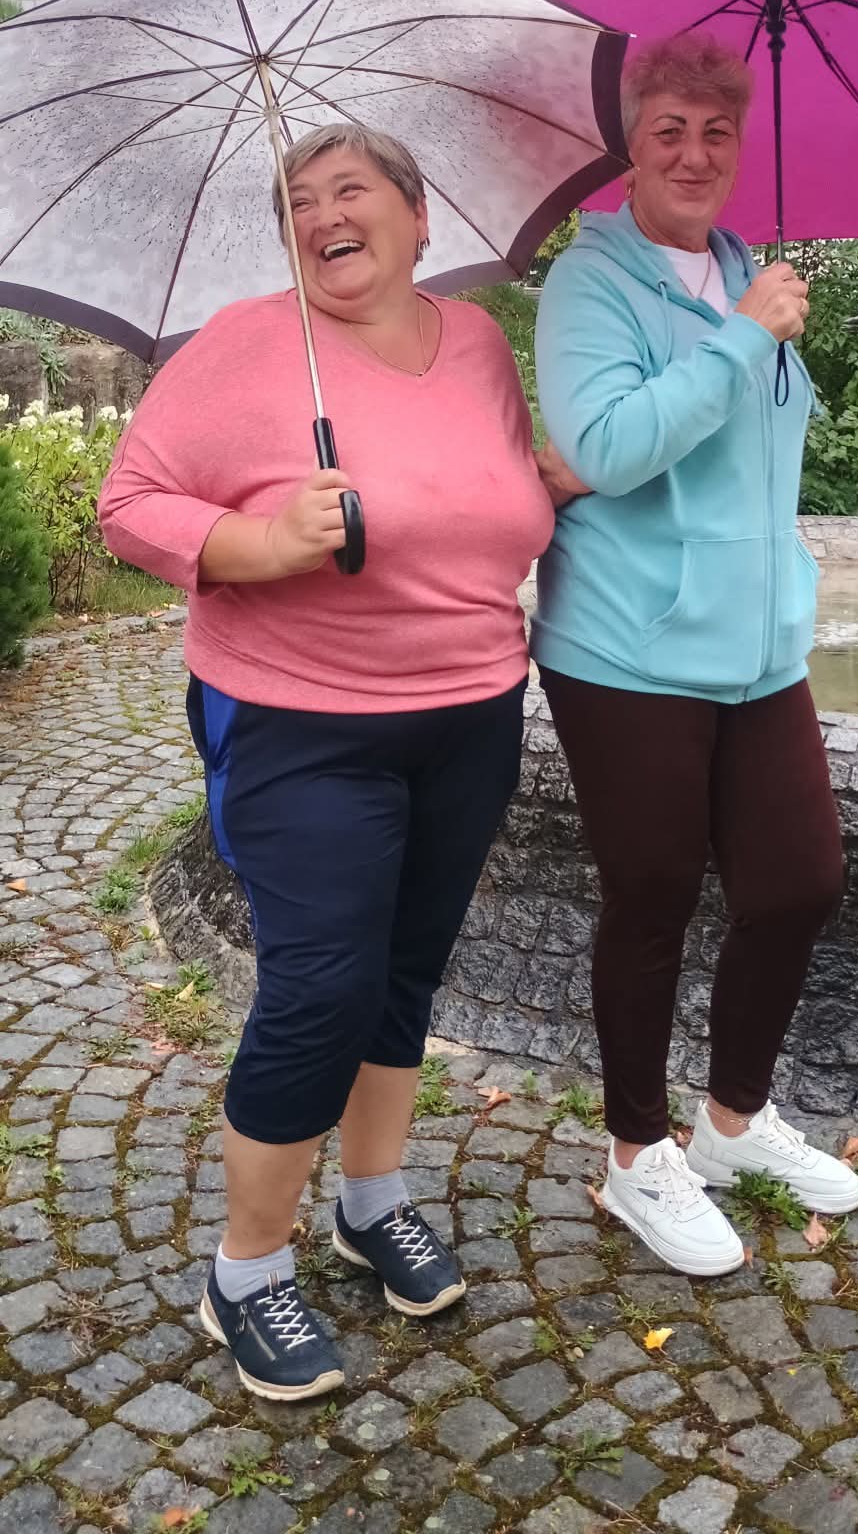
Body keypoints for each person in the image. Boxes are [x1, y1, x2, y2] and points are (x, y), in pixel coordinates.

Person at [99, 120, 554, 1400]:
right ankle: (244, 1271)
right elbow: (130, 501)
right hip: (301, 723)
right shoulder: (247, 345)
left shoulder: (479, 342)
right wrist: (254, 541)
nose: (322, 216)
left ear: (419, 216)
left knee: (406, 966)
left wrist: (557, 480)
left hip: (471, 712)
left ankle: (371, 1200)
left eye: (350, 190)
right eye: (298, 202)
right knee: (320, 987)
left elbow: (491, 487)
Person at [532, 33, 858, 1278]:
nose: (694, 151)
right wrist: (737, 337)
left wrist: (751, 320)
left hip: (758, 646)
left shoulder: (744, 270)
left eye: (717, 130)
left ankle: (729, 1123)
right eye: (668, 127)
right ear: (630, 144)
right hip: (628, 644)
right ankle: (636, 1153)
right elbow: (605, 447)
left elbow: (751, 453)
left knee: (799, 880)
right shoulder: (593, 281)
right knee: (654, 892)